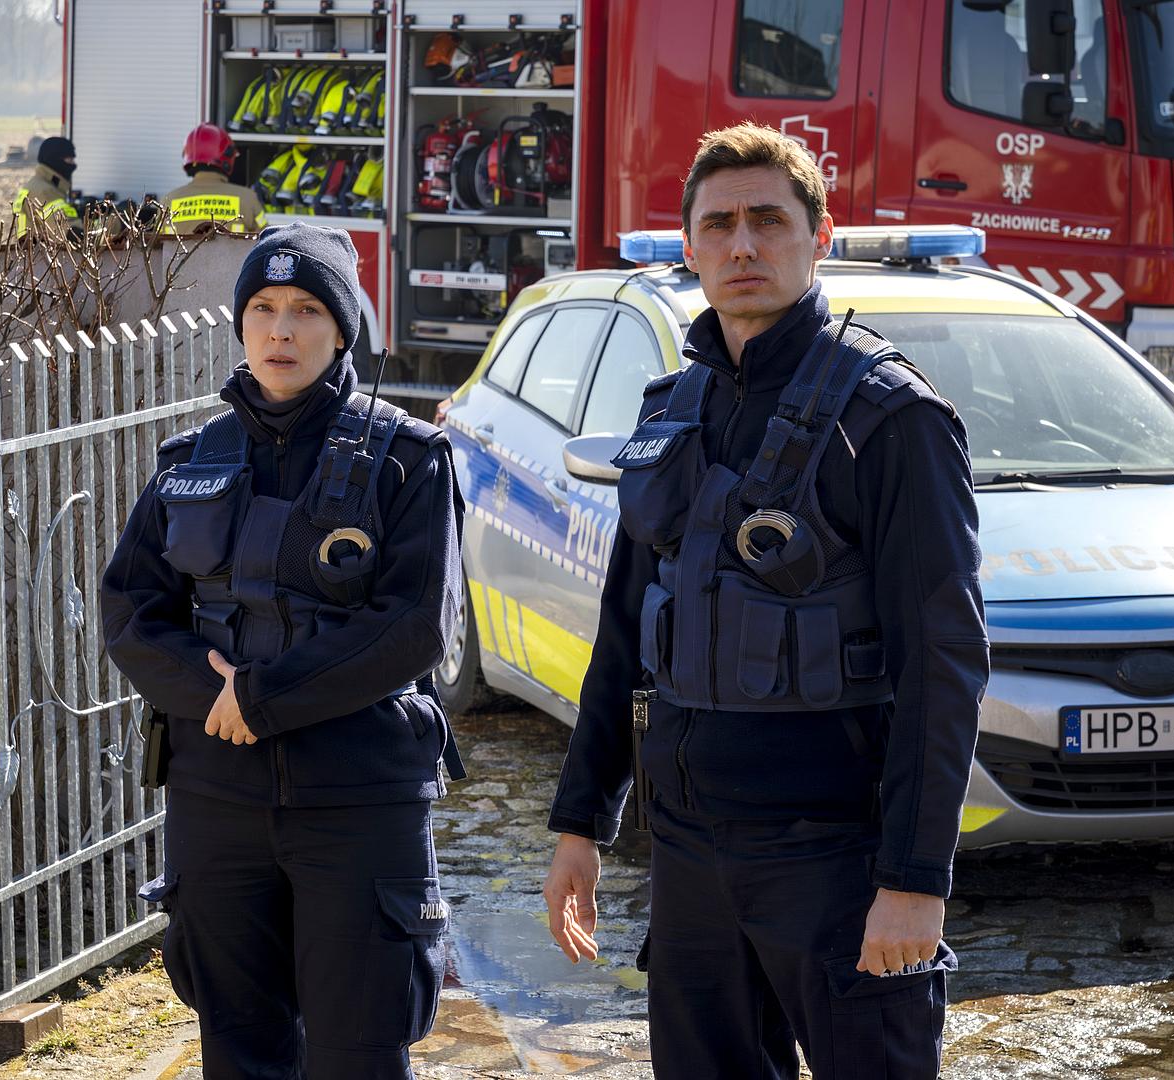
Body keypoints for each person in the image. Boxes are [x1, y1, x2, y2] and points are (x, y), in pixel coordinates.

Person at [541, 123, 987, 1079]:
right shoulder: (670, 410)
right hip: (692, 857)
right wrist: (581, 823)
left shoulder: (893, 419)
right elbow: (623, 636)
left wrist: (913, 882)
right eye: (721, 225)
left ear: (818, 236)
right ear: (691, 248)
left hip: (835, 854)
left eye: (768, 221)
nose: (744, 246)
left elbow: (943, 666)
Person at [100, 221, 466, 1080]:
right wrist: (212, 691)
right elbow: (129, 612)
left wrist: (260, 697)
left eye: (307, 310)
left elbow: (414, 626)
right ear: (241, 323)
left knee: (358, 1054)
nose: (281, 330)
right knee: (239, 1048)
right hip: (215, 800)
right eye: (263, 307)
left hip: (358, 802)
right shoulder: (189, 462)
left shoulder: (407, 462)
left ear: (341, 329)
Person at [161, 123, 266, 234]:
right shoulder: (247, 198)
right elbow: (267, 240)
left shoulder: (169, 201)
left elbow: (156, 245)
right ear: (228, 155)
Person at [12, 135, 79, 237]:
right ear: (55, 161)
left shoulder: (34, 185)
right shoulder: (45, 191)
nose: (73, 165)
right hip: (40, 251)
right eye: (69, 160)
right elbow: (67, 234)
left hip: (29, 250)